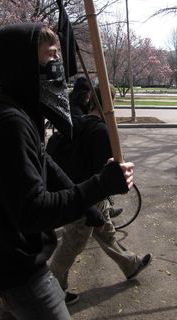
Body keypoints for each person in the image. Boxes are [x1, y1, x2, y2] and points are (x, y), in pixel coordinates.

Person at [0, 23, 134, 320]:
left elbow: (44, 161)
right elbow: (32, 211)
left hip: (1, 263)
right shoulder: (10, 123)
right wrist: (101, 185)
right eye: (51, 57)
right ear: (23, 65)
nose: (58, 66)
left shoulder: (16, 111)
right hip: (19, 271)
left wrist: (87, 208)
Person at [47, 84, 152, 305]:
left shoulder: (79, 122)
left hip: (82, 193)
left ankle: (130, 265)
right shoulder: (102, 132)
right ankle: (51, 290)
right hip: (86, 198)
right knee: (71, 245)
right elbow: (106, 175)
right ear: (110, 103)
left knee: (106, 233)